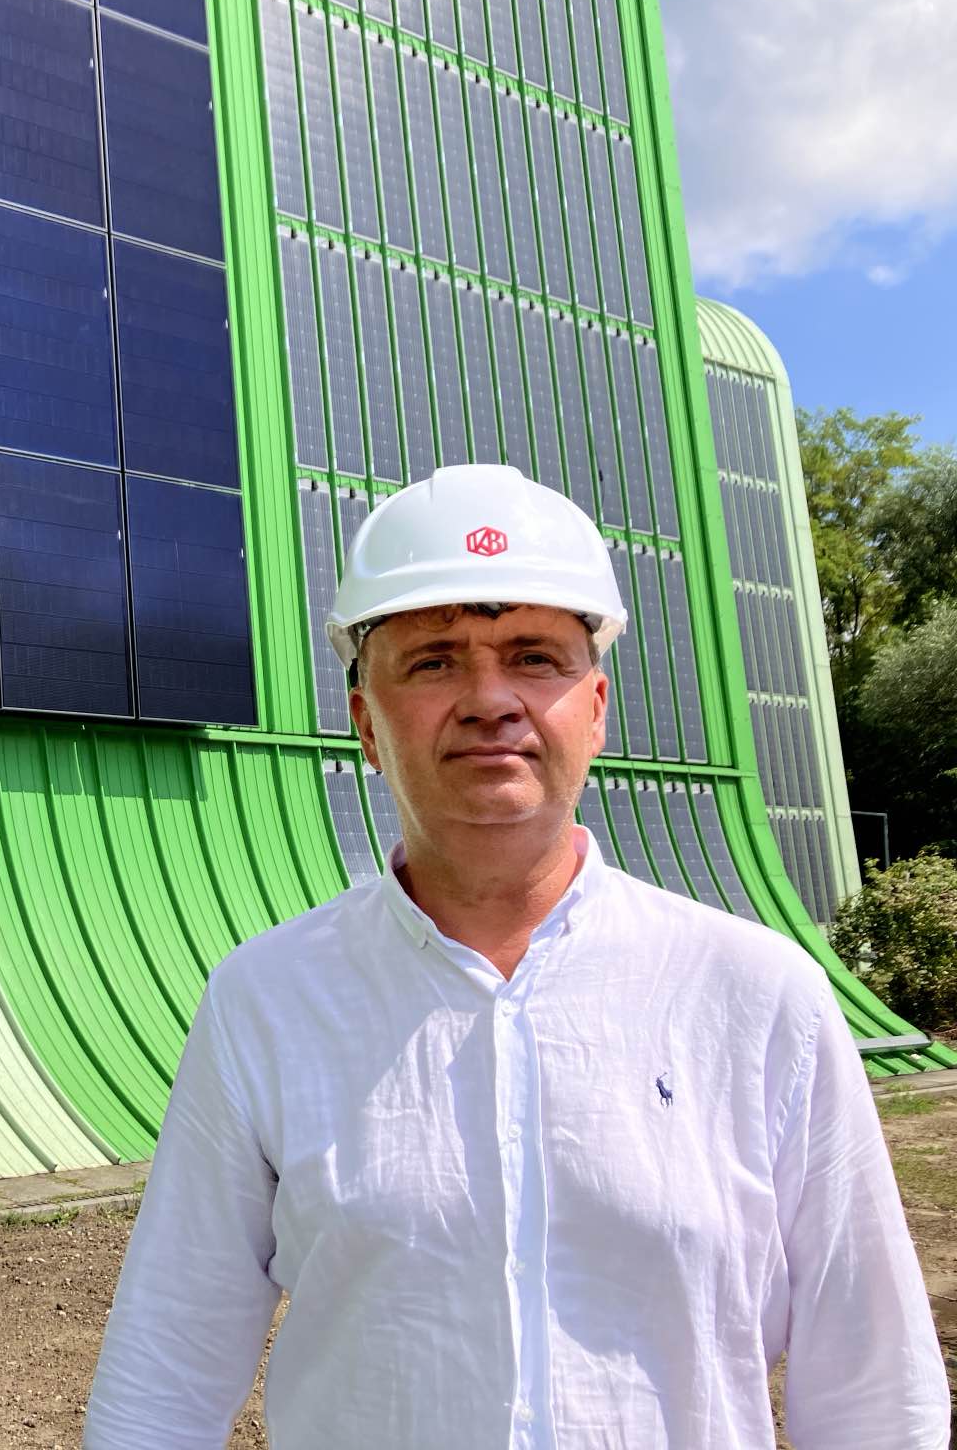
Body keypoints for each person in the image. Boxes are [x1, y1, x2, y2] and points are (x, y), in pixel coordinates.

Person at [83, 465, 947, 1449]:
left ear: (597, 708)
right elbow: (164, 1375)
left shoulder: (756, 996)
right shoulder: (268, 1003)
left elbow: (877, 1393)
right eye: (434, 661)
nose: (490, 699)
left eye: (535, 657)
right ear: (367, 725)